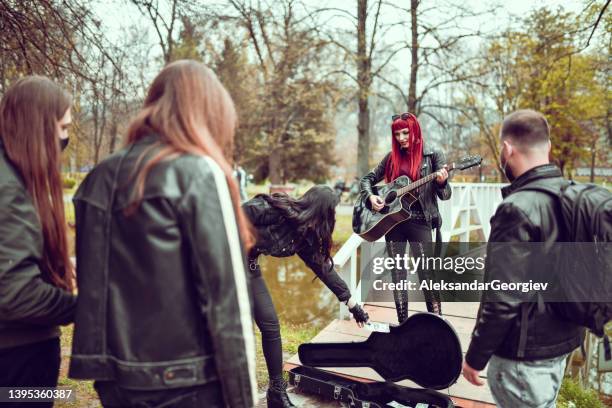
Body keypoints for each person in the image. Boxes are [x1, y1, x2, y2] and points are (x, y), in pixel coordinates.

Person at [69, 61, 257, 407]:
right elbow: (228, 306)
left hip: (117, 384)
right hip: (188, 386)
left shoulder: (99, 177)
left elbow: (95, 291)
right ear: (209, 111)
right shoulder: (198, 173)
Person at [462, 110, 584, 407]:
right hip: (563, 343)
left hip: (524, 356)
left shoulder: (515, 209)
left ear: (507, 149)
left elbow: (502, 296)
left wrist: (475, 357)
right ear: (549, 148)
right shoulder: (577, 196)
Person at [243, 185, 370, 408]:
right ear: (323, 211)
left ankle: (276, 394)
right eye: (332, 211)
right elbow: (227, 220)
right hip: (223, 264)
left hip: (249, 268)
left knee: (271, 327)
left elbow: (324, 270)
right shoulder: (271, 209)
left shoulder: (303, 236)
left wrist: (352, 304)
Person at [0, 76, 77, 400]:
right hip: (18, 359)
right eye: (63, 127)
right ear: (40, 128)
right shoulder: (8, 189)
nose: (66, 137)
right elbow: (14, 292)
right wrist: (82, 307)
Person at [360, 112, 450, 323]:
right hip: (393, 222)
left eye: (405, 133)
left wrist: (441, 182)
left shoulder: (433, 155)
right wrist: (371, 196)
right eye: (397, 134)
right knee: (398, 276)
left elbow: (445, 195)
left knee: (427, 275)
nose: (401, 138)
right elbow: (367, 179)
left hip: (420, 220)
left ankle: (438, 324)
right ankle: (403, 324)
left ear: (415, 131)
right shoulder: (391, 157)